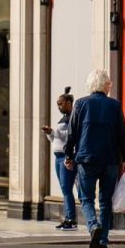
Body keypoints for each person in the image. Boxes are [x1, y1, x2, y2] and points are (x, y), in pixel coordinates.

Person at [70, 70, 125, 248]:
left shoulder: (81, 104)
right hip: (110, 158)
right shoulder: (115, 105)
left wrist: (67, 155)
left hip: (86, 158)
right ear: (105, 85)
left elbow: (73, 132)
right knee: (105, 200)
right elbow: (122, 133)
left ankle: (92, 225)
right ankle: (102, 240)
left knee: (86, 198)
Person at [44, 89, 78, 231]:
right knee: (65, 189)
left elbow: (70, 139)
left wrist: (55, 133)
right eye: (57, 104)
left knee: (66, 189)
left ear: (69, 103)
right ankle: (68, 218)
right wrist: (50, 133)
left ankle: (71, 219)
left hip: (66, 157)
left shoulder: (72, 118)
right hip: (58, 157)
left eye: (61, 104)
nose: (58, 107)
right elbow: (56, 139)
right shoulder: (62, 119)